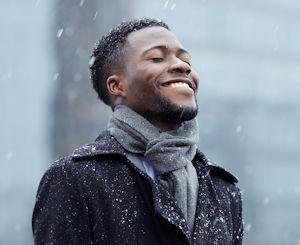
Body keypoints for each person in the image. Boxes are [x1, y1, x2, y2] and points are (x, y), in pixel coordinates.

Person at [32, 18, 243, 245]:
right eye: (156, 58)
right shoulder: (75, 179)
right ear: (117, 86)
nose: (183, 66)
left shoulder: (223, 189)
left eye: (185, 59)